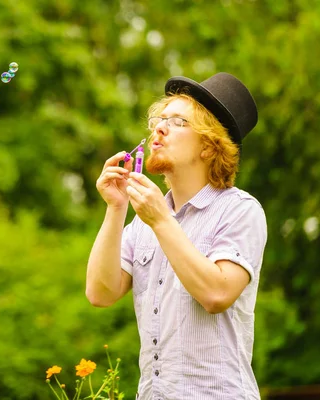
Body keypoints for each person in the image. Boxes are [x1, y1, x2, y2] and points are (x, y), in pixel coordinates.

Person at [86, 73, 267, 399]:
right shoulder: (144, 222)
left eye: (179, 121)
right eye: (160, 119)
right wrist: (116, 208)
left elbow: (216, 294)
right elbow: (101, 292)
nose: (159, 128)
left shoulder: (241, 211)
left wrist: (161, 220)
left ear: (211, 147)